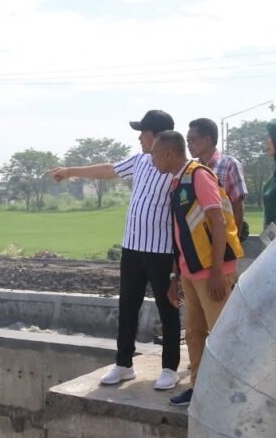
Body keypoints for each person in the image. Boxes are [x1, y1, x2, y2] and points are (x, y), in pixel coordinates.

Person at [49, 110, 181, 391]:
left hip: (162, 250)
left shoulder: (179, 167)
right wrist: (71, 171)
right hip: (132, 248)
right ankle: (124, 364)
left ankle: (170, 368)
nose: (139, 138)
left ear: (156, 135)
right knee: (128, 307)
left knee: (167, 309)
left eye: (142, 132)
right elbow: (109, 170)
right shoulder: (140, 160)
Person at [150, 130, 244, 407]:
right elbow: (181, 234)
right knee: (193, 334)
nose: (152, 160)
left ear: (168, 153)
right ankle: (200, 389)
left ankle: (229, 395)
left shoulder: (199, 176)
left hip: (211, 272)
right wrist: (175, 276)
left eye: (154, 154)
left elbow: (218, 223)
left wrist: (216, 272)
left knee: (221, 334)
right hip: (190, 272)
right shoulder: (178, 182)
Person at [185, 118, 249, 240]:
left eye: (192, 140)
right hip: (198, 239)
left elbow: (238, 205)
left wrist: (233, 241)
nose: (188, 145)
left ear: (207, 139)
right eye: (187, 140)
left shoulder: (230, 164)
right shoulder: (191, 168)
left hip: (223, 236)